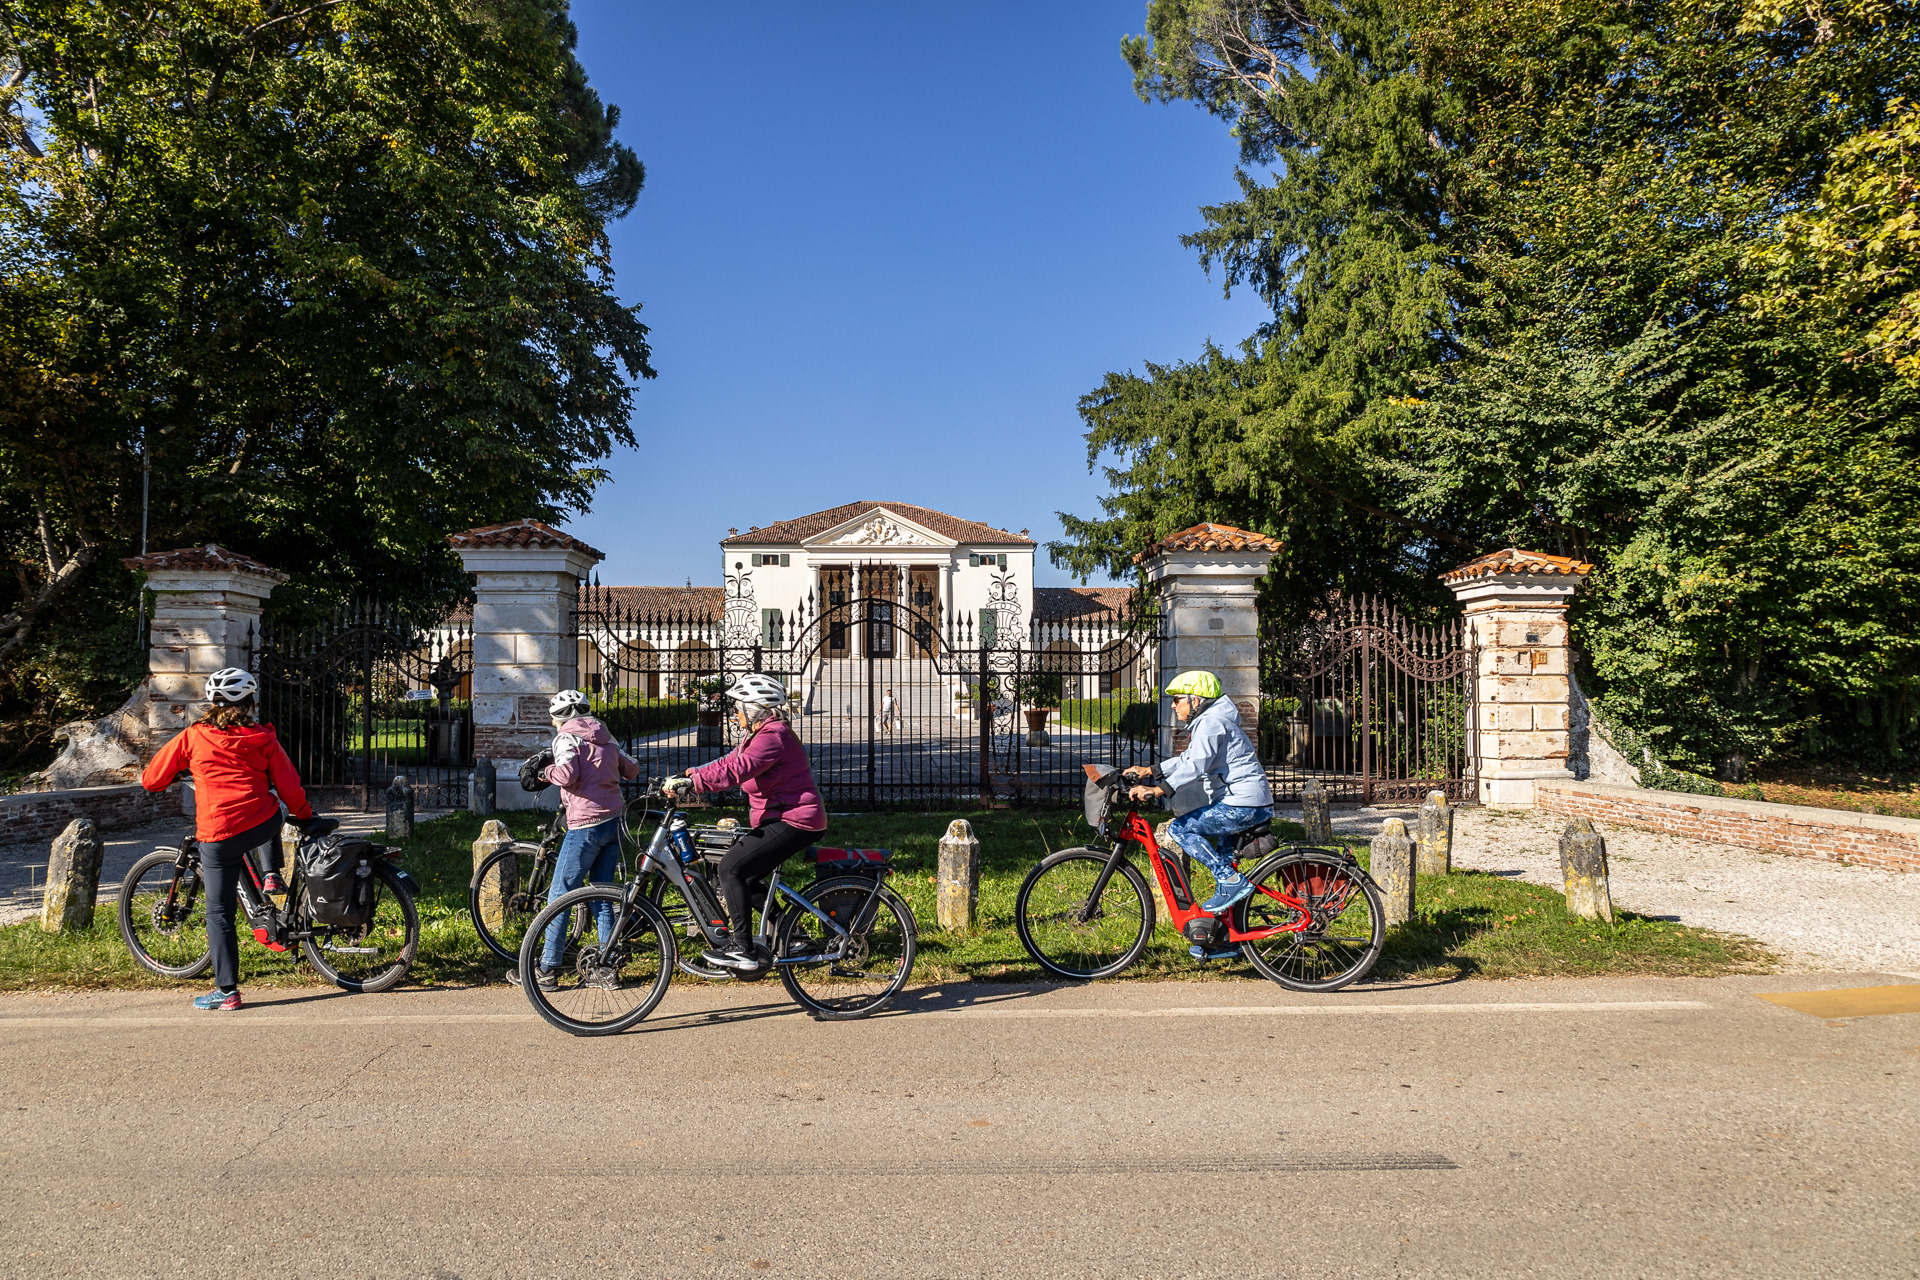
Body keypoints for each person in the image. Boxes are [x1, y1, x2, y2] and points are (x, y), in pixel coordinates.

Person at [139, 667, 324, 1011]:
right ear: (250, 702)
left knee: (219, 912)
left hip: (218, 833)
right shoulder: (264, 738)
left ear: (212, 702)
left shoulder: (193, 737)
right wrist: (306, 816)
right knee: (270, 811)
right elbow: (289, 786)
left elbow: (151, 780)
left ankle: (227, 992)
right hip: (262, 825)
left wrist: (178, 773)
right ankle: (270, 877)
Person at [665, 672, 826, 973]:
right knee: (747, 878)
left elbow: (738, 770)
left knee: (730, 868)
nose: (734, 713)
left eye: (738, 708)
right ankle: (792, 934)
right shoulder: (760, 735)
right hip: (782, 817)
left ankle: (744, 950)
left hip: (795, 820)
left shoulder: (772, 737)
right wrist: (691, 775)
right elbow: (728, 761)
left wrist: (696, 784)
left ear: (753, 710)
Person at [1122, 670, 1274, 930]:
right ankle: (1227, 937)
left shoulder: (1211, 723)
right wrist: (1150, 771)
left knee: (1180, 829)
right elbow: (1187, 759)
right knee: (1225, 866)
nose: (1173, 705)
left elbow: (1195, 766)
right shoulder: (1211, 721)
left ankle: (1230, 881)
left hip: (1243, 804)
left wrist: (1158, 790)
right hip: (1243, 802)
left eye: (1177, 699)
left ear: (1195, 700)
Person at [513, 689, 641, 990]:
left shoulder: (566, 738)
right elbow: (632, 769)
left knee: (560, 896)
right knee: (602, 894)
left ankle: (547, 969)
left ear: (557, 718)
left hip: (585, 824)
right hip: (613, 820)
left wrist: (546, 771)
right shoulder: (605, 735)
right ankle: (606, 969)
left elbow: (567, 774)